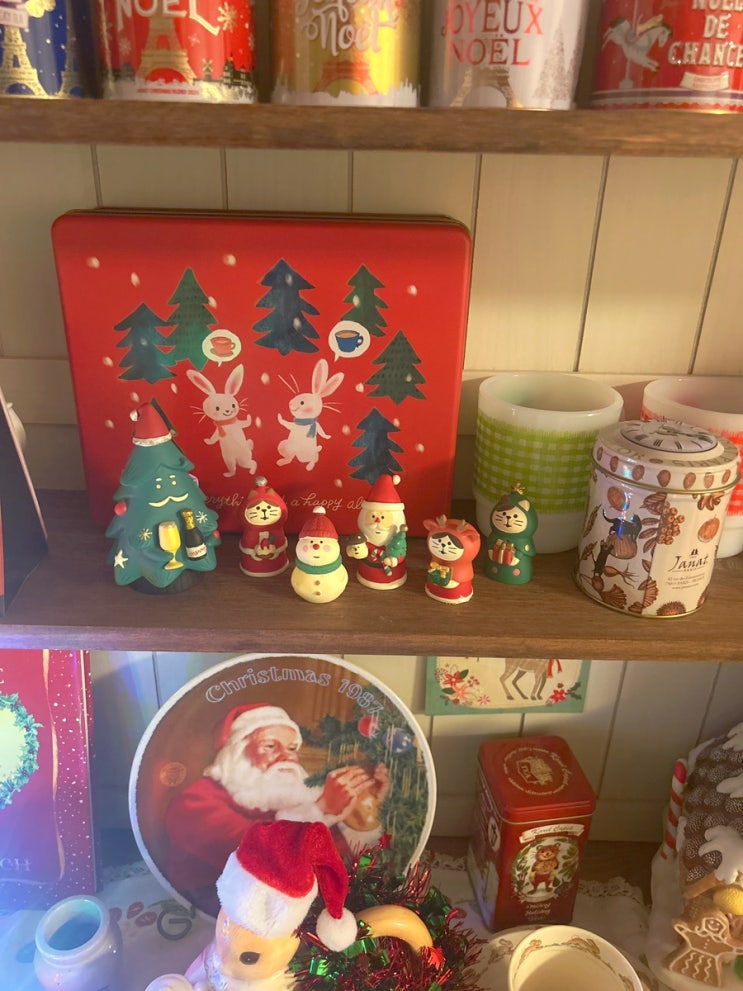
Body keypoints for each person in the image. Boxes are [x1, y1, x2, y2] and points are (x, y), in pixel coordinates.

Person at [163, 703, 390, 913]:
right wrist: (321, 809)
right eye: (270, 746)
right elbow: (252, 854)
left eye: (292, 748)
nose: (287, 757)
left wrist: (366, 810)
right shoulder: (195, 802)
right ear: (237, 753)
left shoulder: (294, 800)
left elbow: (344, 869)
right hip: (222, 920)